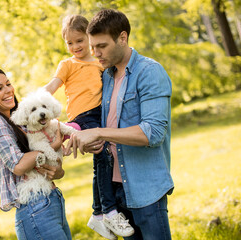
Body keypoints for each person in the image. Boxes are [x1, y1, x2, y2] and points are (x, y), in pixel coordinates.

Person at [66, 9, 174, 240]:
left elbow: (153, 133)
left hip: (145, 188)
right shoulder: (105, 75)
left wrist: (99, 132)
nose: (95, 53)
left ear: (122, 38)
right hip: (114, 191)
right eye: (92, 46)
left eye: (102, 46)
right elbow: (104, 125)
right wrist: (92, 139)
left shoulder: (149, 72)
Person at [44, 15, 134, 239]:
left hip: (100, 116)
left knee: (102, 159)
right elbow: (52, 87)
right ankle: (109, 211)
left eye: (79, 41)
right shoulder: (67, 64)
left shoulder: (100, 63)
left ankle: (98, 214)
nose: (75, 47)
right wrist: (35, 104)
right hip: (83, 117)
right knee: (103, 156)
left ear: (89, 38)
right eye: (70, 43)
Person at [0, 67, 72, 240]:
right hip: (35, 208)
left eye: (8, 84)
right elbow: (18, 165)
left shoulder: (19, 120)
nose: (7, 90)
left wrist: (58, 171)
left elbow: (43, 162)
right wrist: (54, 144)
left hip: (50, 200)